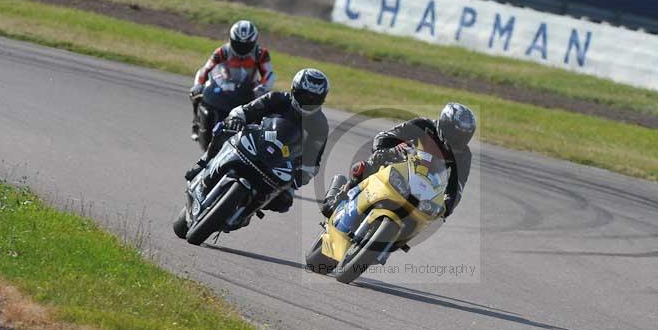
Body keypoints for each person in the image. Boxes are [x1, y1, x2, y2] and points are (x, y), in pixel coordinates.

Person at [186, 68, 330, 214]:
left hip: (281, 162)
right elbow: (246, 110)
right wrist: (237, 119)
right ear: (294, 90)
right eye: (304, 96)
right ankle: (202, 164)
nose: (308, 102)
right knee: (223, 129)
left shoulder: (320, 126)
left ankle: (246, 212)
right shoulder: (277, 98)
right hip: (254, 140)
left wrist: (296, 180)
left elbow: (312, 162)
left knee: (284, 202)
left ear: (322, 100)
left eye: (313, 100)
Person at [321, 102, 476, 219]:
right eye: (456, 134)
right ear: (444, 125)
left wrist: (447, 207)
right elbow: (385, 136)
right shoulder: (424, 126)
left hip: (424, 188)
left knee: (428, 216)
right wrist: (385, 151)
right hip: (398, 167)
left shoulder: (463, 155)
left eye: (464, 136)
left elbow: (457, 187)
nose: (459, 140)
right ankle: (339, 197)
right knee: (367, 165)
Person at [189, 20, 275, 140]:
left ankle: (258, 137)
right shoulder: (223, 51)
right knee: (197, 94)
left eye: (246, 45)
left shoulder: (260, 54)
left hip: (248, 89)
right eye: (238, 44)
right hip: (224, 85)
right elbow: (205, 69)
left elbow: (269, 74)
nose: (242, 48)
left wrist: (260, 89)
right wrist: (198, 85)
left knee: (265, 107)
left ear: (254, 42)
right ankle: (196, 123)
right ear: (231, 39)